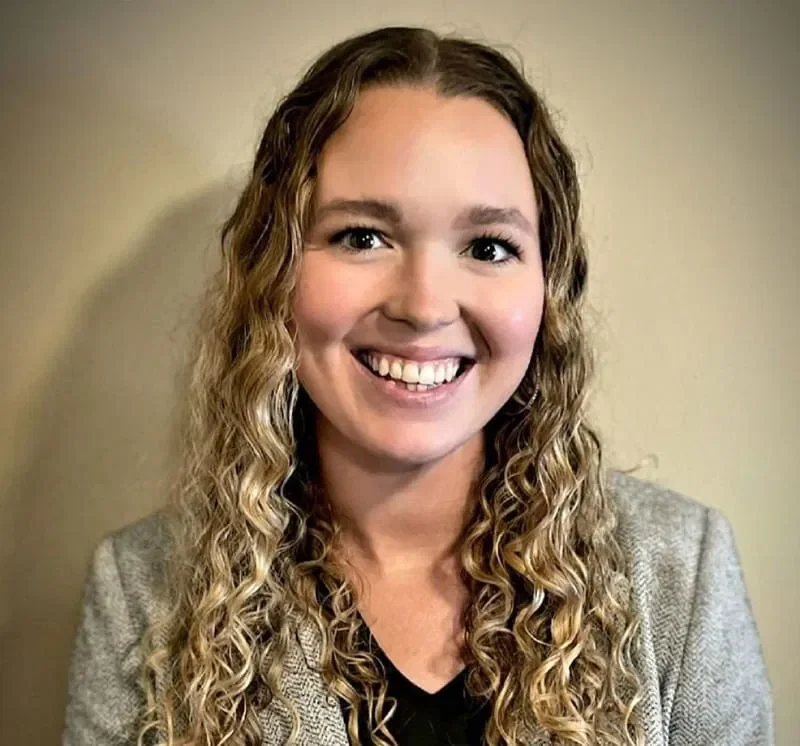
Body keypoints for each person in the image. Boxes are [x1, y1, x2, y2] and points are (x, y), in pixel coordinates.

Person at [62, 25, 774, 746]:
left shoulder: (680, 573)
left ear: (547, 291)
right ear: (273, 271)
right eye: (362, 236)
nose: (424, 306)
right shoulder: (142, 592)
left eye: (488, 247)